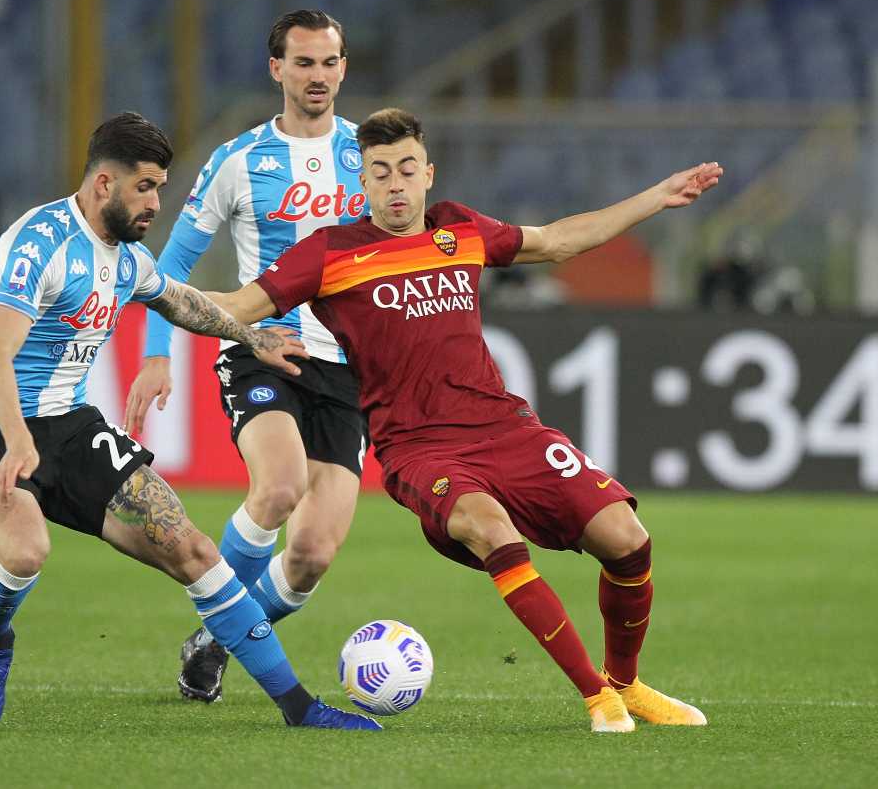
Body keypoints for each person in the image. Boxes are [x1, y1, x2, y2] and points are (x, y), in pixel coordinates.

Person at [203, 107, 724, 733]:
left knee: (627, 538)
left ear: (428, 173)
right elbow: (236, 305)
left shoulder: (462, 229)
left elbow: (558, 239)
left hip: (505, 426)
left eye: (405, 170)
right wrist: (143, 286)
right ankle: (596, 698)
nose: (394, 185)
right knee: (490, 527)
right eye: (379, 173)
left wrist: (656, 198)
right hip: (419, 448)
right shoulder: (329, 254)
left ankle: (626, 683)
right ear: (360, 182)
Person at [0, 111, 379, 731]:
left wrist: (253, 335)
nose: (156, 202)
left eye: (161, 187)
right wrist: (15, 440)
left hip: (72, 427)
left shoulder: (125, 258)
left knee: (191, 547)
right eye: (146, 187)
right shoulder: (38, 242)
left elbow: (187, 301)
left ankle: (299, 708)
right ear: (103, 184)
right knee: (26, 551)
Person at [125, 10, 370, 703]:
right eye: (303, 63)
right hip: (265, 347)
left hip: (348, 368)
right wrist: (156, 353)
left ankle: (215, 641)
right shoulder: (239, 160)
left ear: (344, 67)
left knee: (312, 555)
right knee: (280, 484)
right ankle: (219, 616)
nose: (317, 76)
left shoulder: (373, 158)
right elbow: (170, 263)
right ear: (277, 70)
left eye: (328, 62)